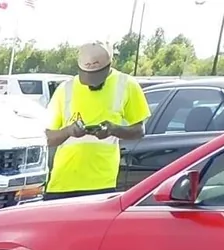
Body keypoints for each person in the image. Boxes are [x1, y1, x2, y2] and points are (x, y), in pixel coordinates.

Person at [43, 43, 150, 197]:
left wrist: (113, 129)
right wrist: (68, 131)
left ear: (109, 66)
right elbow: (47, 138)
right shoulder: (65, 89)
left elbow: (139, 131)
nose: (92, 83)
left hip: (102, 184)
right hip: (61, 184)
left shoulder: (126, 85)